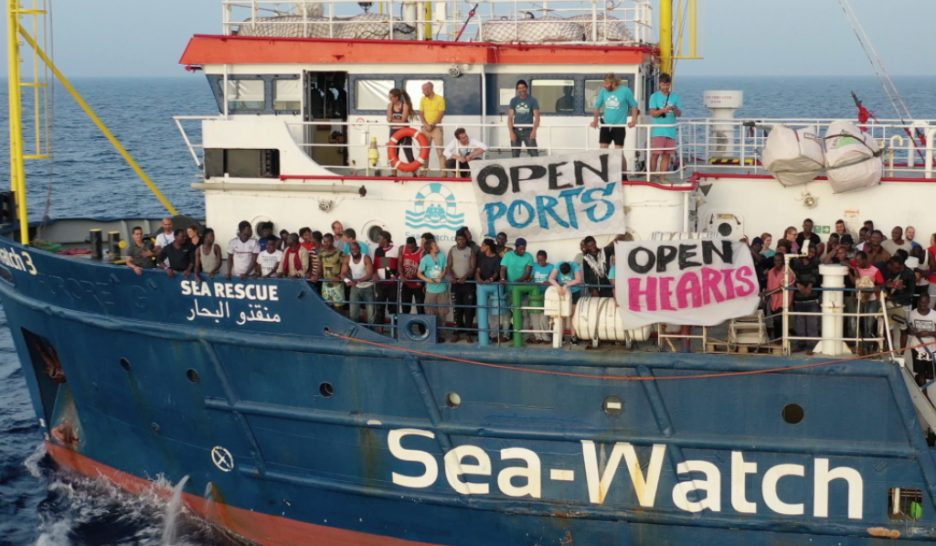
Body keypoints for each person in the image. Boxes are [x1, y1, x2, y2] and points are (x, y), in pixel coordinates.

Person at [590, 73, 638, 171]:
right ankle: (604, 174)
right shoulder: (603, 91)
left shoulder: (625, 91)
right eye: (604, 83)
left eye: (607, 83)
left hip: (619, 126)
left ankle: (623, 175)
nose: (605, 85)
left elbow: (634, 106)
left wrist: (633, 120)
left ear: (614, 83)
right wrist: (595, 120)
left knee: (619, 152)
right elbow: (597, 106)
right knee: (603, 150)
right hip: (606, 124)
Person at [500, 238, 535, 346]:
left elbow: (528, 273)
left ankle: (526, 336)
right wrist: (502, 279)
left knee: (524, 314)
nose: (523, 251)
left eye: (524, 248)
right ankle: (506, 335)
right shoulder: (508, 255)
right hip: (509, 291)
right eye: (521, 249)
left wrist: (518, 281)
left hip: (523, 291)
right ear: (516, 247)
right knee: (507, 314)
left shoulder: (529, 256)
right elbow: (503, 269)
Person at [648, 72, 682, 182]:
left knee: (667, 155)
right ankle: (652, 176)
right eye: (663, 85)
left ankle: (662, 177)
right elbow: (653, 113)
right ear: (659, 84)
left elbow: (679, 114)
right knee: (655, 155)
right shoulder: (654, 97)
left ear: (670, 84)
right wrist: (663, 110)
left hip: (670, 130)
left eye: (667, 85)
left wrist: (674, 109)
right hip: (658, 131)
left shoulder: (675, 96)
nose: (665, 87)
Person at [475, 238, 509, 344]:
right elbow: (477, 270)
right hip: (482, 287)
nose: (481, 247)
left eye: (482, 245)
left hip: (494, 286)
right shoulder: (481, 257)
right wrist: (479, 279)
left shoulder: (497, 258)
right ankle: (486, 334)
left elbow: (497, 272)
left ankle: (496, 334)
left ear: (488, 246)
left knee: (495, 312)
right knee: (483, 311)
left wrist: (491, 279)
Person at [447, 231, 477, 342]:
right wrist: (452, 276)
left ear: (466, 240)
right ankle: (457, 333)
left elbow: (472, 267)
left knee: (468, 310)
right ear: (456, 239)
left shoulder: (470, 251)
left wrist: (465, 277)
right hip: (455, 284)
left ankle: (469, 334)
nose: (461, 241)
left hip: (467, 283)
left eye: (463, 239)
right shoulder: (452, 250)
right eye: (459, 239)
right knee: (457, 310)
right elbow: (449, 265)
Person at [418, 239, 449, 342]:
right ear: (430, 248)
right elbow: (419, 273)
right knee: (430, 313)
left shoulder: (442, 256)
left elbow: (445, 268)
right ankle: (431, 334)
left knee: (442, 313)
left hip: (442, 289)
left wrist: (442, 275)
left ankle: (441, 335)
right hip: (430, 291)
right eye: (435, 245)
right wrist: (428, 280)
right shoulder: (425, 259)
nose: (437, 246)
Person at [549, 260, 583, 344]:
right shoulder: (557, 265)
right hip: (562, 293)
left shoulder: (574, 265)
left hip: (574, 292)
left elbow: (578, 280)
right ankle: (561, 336)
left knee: (572, 314)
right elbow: (550, 278)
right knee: (561, 314)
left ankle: (573, 337)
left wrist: (566, 285)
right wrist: (557, 286)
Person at [342, 241, 376, 324]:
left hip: (368, 287)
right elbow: (342, 274)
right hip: (355, 288)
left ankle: (371, 333)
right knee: (353, 314)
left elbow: (369, 274)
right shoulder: (347, 258)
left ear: (360, 249)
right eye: (352, 249)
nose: (354, 250)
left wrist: (358, 280)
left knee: (371, 314)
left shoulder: (366, 258)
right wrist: (348, 281)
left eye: (356, 248)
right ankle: (356, 332)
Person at [507, 79, 540, 158]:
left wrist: (534, 131)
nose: (522, 90)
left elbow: (537, 118)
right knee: (515, 155)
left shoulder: (533, 100)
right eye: (519, 88)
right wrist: (511, 132)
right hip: (516, 131)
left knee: (534, 154)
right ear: (517, 89)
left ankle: (537, 170)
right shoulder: (514, 100)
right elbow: (510, 118)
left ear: (526, 88)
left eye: (523, 87)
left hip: (528, 131)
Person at [418, 81, 446, 173]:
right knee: (424, 152)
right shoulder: (423, 99)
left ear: (430, 89)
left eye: (424, 90)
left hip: (436, 128)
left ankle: (443, 173)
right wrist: (426, 125)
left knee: (440, 151)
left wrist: (432, 125)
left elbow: (441, 114)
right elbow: (421, 114)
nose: (423, 91)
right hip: (425, 128)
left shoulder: (440, 99)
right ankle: (423, 172)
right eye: (422, 90)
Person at [373, 230, 398, 330]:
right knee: (379, 306)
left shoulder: (396, 250)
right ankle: (380, 330)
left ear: (385, 239)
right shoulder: (377, 250)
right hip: (380, 284)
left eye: (379, 239)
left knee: (392, 306)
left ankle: (394, 329)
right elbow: (375, 266)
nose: (378, 240)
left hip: (392, 284)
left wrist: (396, 275)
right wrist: (375, 275)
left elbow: (399, 266)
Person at [908, 293, 936, 382]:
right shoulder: (912, 314)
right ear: (918, 302)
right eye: (921, 302)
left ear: (928, 302)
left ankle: (923, 378)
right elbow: (908, 330)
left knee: (931, 375)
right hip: (917, 348)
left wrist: (929, 333)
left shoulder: (934, 315)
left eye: (925, 303)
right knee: (921, 373)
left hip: (931, 349)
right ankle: (923, 391)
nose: (922, 305)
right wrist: (911, 331)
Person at [764, 253, 792, 341]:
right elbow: (769, 286)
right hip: (773, 302)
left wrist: (769, 292)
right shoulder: (771, 272)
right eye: (775, 260)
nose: (777, 262)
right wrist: (766, 298)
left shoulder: (788, 272)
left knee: (780, 321)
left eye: (779, 260)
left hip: (784, 301)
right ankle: (778, 340)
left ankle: (781, 341)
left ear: (783, 261)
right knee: (775, 322)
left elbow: (784, 288)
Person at [387, 88, 415, 174]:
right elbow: (388, 119)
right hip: (394, 132)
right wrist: (395, 121)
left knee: (408, 152)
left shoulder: (405, 106)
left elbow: (403, 120)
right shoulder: (390, 105)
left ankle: (414, 173)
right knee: (393, 153)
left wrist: (393, 120)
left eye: (391, 97)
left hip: (404, 132)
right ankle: (393, 173)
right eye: (389, 97)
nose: (390, 99)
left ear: (396, 97)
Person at [529, 250, 555, 343]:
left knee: (544, 316)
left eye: (542, 260)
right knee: (534, 315)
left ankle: (546, 337)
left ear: (546, 258)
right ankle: (538, 337)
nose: (540, 262)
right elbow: (531, 277)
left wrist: (548, 282)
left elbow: (554, 280)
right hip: (534, 295)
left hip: (546, 295)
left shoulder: (551, 267)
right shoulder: (535, 266)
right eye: (538, 260)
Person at [398, 236, 425, 315]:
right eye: (408, 247)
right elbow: (399, 263)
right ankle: (405, 327)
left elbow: (423, 269)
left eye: (412, 247)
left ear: (416, 244)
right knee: (405, 307)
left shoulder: (422, 252)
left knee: (420, 308)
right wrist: (402, 275)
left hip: (418, 284)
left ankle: (422, 327)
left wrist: (415, 277)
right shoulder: (402, 249)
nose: (410, 249)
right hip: (406, 283)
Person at [318, 233, 344, 307]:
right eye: (324, 241)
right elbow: (319, 266)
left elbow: (344, 266)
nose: (326, 243)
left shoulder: (339, 253)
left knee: (338, 306)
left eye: (328, 241)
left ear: (332, 241)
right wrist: (317, 275)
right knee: (326, 306)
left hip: (337, 284)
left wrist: (339, 276)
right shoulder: (321, 253)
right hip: (325, 283)